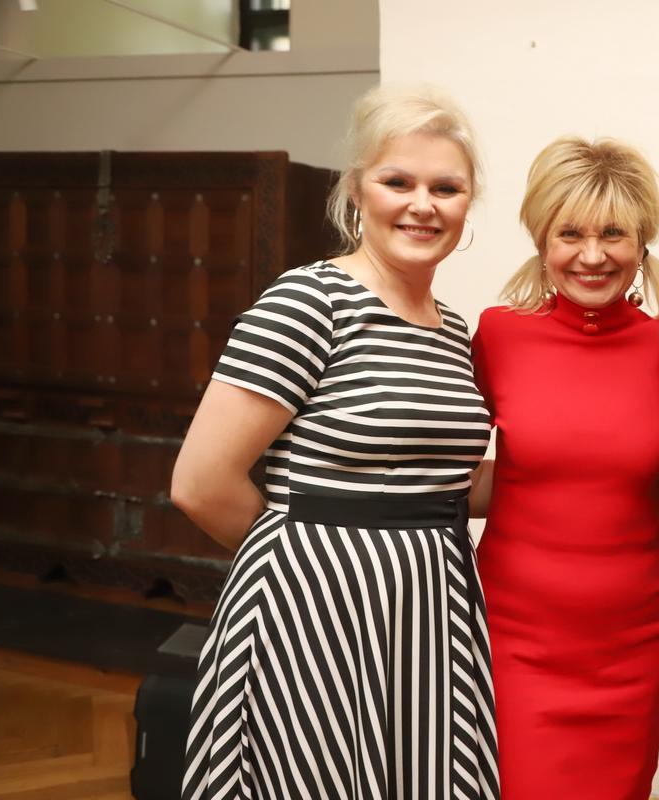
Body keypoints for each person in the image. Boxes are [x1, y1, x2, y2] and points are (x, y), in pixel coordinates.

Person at [171, 87, 499, 799]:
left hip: (429, 610)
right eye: (398, 182)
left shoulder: (451, 327)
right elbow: (200, 484)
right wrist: (309, 562)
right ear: (356, 191)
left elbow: (441, 479)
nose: (423, 205)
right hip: (313, 614)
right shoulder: (308, 302)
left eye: (446, 188)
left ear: (467, 203)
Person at [470, 137, 659, 799]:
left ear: (641, 242)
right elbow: (454, 469)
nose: (592, 255)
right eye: (571, 234)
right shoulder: (498, 335)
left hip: (632, 647)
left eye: (613, 233)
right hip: (515, 643)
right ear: (542, 241)